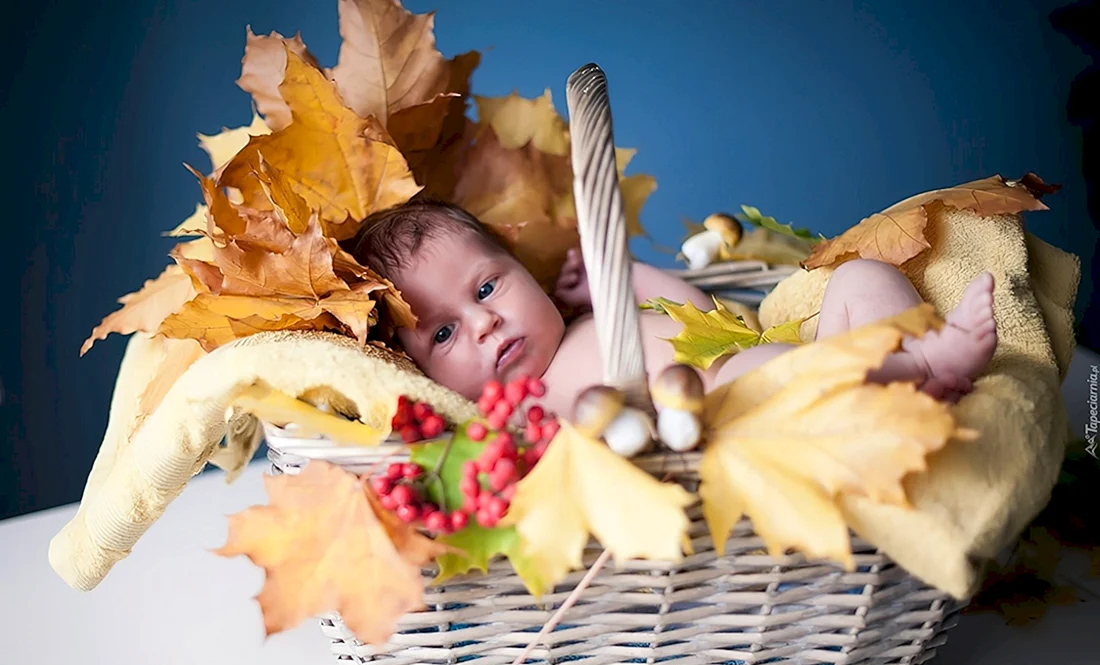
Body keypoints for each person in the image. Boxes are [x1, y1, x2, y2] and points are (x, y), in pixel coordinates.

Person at [349, 200, 997, 417]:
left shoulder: (590, 323)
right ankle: (916, 373)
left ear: (529, 273)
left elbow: (701, 315)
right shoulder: (523, 419)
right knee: (747, 383)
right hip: (735, 417)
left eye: (487, 287)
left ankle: (916, 356)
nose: (484, 321)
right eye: (443, 332)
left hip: (782, 364)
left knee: (861, 274)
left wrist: (620, 276)